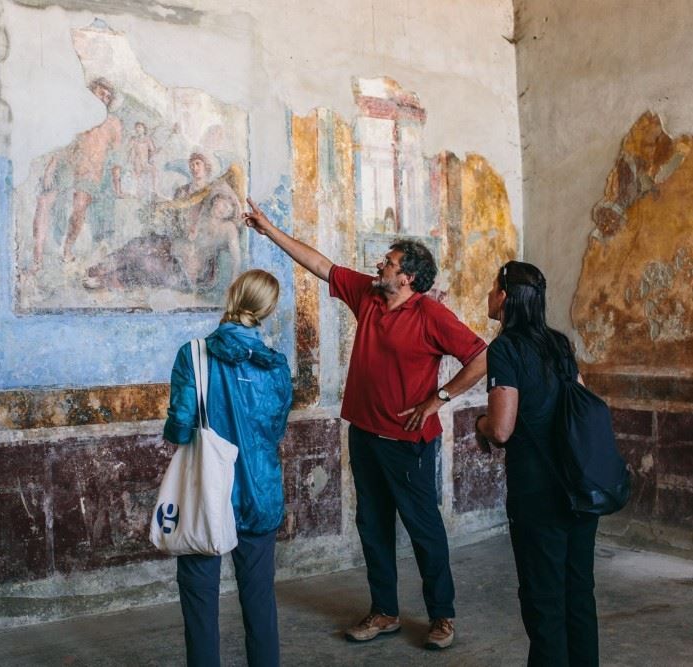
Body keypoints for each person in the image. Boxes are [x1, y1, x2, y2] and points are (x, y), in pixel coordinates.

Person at [242, 199, 488, 650]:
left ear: (408, 277)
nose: (381, 264)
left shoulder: (431, 315)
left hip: (408, 442)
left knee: (423, 529)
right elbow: (320, 263)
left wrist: (439, 399)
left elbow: (480, 356)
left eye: (390, 262)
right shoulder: (369, 296)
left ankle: (442, 616)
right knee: (372, 525)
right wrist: (268, 229)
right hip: (365, 435)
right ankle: (385, 612)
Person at [164, 269, 293, 667]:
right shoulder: (276, 366)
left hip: (207, 492)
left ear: (232, 296)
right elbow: (274, 429)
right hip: (261, 491)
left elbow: (180, 428)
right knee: (259, 598)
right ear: (268, 310)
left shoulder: (194, 354)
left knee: (200, 598)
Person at [475, 260, 599, 666]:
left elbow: (502, 429)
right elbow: (584, 403)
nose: (489, 295)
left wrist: (480, 423)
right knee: (577, 593)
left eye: (494, 288)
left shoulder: (505, 349)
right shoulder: (559, 344)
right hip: (578, 487)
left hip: (538, 495)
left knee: (543, 599)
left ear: (506, 298)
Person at [31, 78, 123, 270]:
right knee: (44, 201)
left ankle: (67, 250)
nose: (104, 99)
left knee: (79, 209)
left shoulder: (113, 123)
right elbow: (62, 141)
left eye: (108, 97)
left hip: (90, 172)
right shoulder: (77, 114)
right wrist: (51, 167)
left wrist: (117, 186)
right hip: (68, 164)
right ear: (91, 93)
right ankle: (37, 257)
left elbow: (116, 158)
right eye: (101, 93)